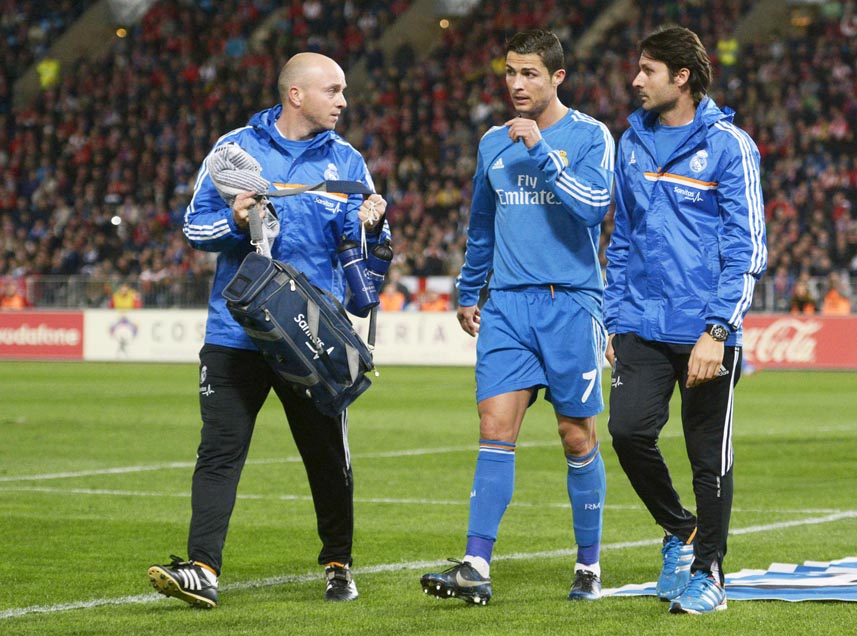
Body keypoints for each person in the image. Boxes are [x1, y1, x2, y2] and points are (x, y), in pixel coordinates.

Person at [147, 52, 389, 608]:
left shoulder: (348, 160)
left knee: (326, 456)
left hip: (311, 335)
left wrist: (373, 226)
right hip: (237, 332)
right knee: (219, 452)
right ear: (296, 95)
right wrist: (233, 220)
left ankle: (338, 563)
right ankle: (203, 568)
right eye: (333, 90)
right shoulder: (235, 150)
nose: (344, 101)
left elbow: (365, 245)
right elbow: (194, 226)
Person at [420, 30, 614, 604]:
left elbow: (594, 207)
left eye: (529, 74)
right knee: (493, 427)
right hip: (506, 304)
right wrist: (468, 288)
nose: (517, 84)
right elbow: (481, 225)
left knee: (575, 435)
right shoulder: (491, 144)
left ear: (557, 77)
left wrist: (542, 155)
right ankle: (476, 563)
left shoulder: (588, 137)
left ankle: (588, 565)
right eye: (510, 72)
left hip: (572, 301)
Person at [604, 26, 767, 615]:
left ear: (682, 77)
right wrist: (614, 320)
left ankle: (710, 575)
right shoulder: (632, 143)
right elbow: (621, 239)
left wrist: (718, 330)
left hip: (706, 332)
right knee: (626, 431)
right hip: (642, 325)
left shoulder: (730, 145)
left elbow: (747, 249)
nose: (635, 80)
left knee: (707, 457)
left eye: (647, 70)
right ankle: (681, 530)